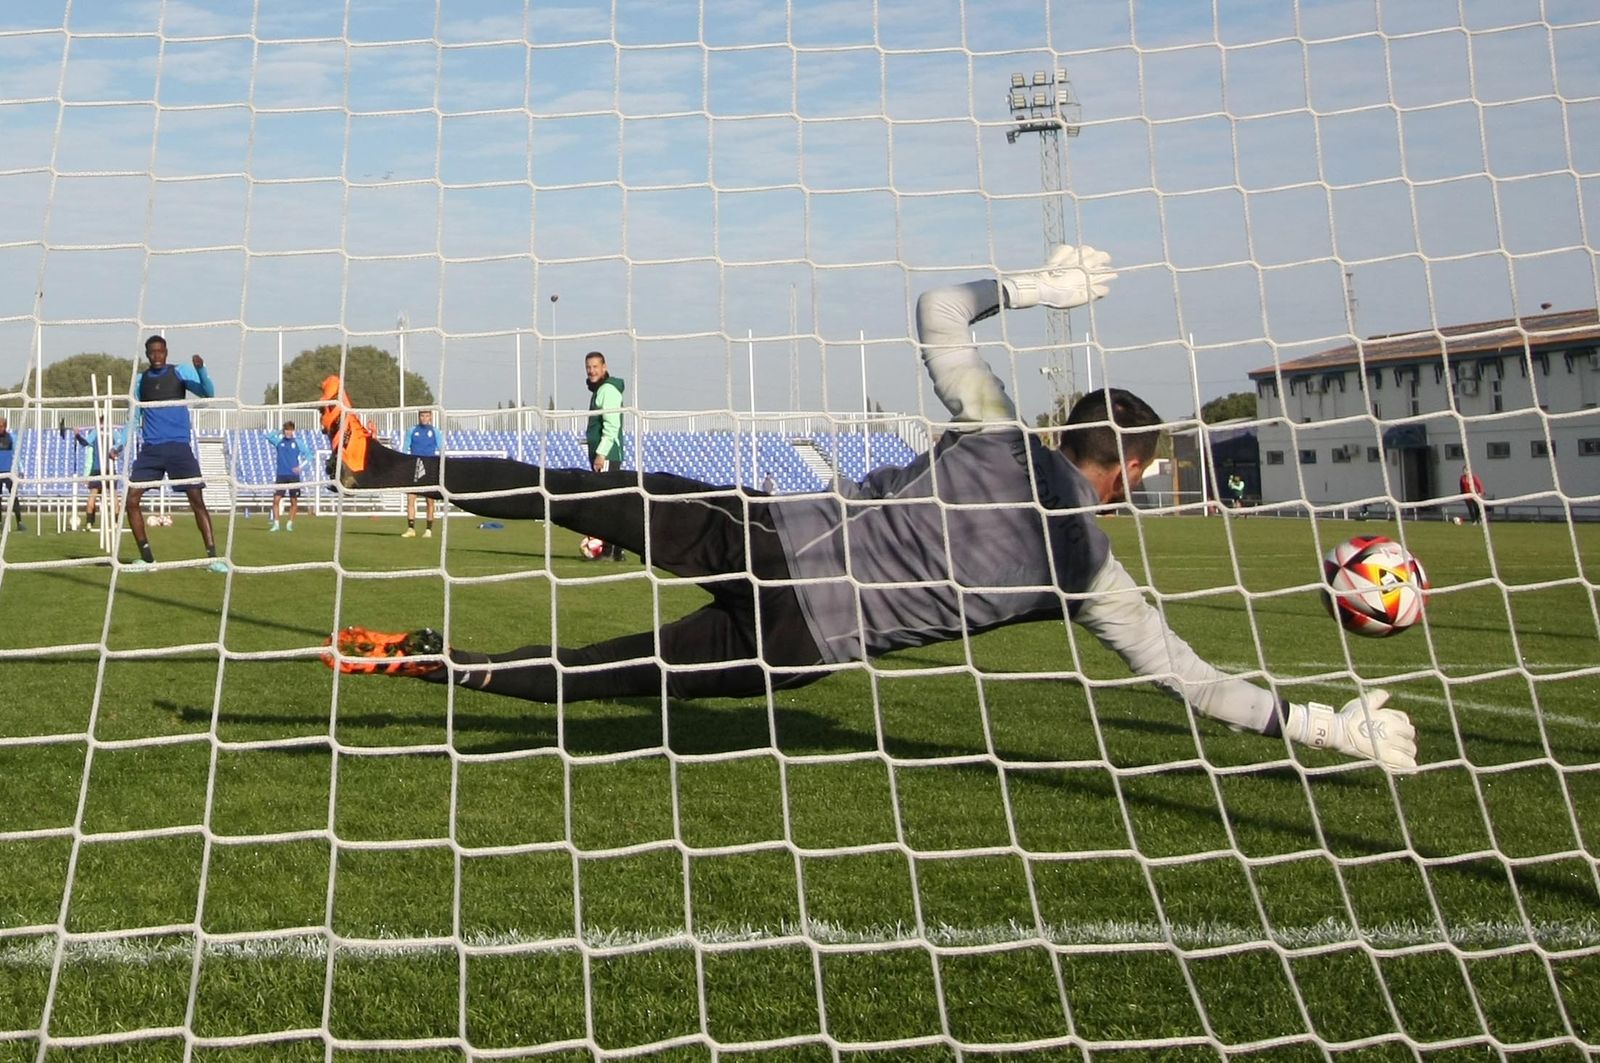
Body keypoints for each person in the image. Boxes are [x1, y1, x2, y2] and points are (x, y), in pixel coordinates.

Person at [317, 245, 1417, 772]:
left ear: (1072, 426)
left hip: (775, 531)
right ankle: (436, 662)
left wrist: (1039, 289)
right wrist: (1323, 725)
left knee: (578, 490)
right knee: (605, 679)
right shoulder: (1090, 575)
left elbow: (939, 302)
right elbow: (1195, 681)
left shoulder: (993, 423)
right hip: (803, 639)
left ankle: (382, 465)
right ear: (1127, 472)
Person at [122, 335, 228, 573]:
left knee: (197, 501)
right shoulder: (140, 381)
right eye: (152, 352)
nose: (156, 356)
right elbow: (134, 418)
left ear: (166, 352)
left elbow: (207, 394)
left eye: (160, 351)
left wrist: (201, 371)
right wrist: (119, 444)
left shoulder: (180, 372)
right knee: (131, 500)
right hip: (151, 449)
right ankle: (148, 559)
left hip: (179, 448)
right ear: (147, 354)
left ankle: (213, 559)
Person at [584, 351, 627, 561]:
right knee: (606, 504)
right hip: (603, 453)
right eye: (588, 367)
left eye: (595, 367)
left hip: (607, 454)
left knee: (608, 505)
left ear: (604, 367)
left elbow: (612, 425)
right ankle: (613, 550)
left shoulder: (608, 389)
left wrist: (601, 454)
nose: (591, 371)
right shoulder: (600, 389)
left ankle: (612, 551)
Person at [73, 418, 126, 530]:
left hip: (98, 469)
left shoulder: (96, 432)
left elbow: (84, 443)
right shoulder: (113, 432)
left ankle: (89, 523)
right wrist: (115, 452)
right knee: (113, 496)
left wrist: (77, 435)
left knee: (93, 495)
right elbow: (121, 444)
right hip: (109, 469)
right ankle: (116, 523)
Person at [266, 420, 314, 532]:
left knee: (294, 501)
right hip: (281, 475)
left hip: (293, 476)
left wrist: (300, 467)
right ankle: (276, 524)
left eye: (290, 430)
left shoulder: (298, 443)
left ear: (293, 431)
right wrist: (279, 430)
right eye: (286, 430)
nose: (288, 432)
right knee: (276, 500)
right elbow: (269, 436)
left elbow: (310, 456)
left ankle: (289, 524)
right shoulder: (278, 441)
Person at [402, 410, 439, 538]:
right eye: (422, 415)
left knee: (430, 500)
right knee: (411, 498)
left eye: (427, 415)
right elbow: (405, 448)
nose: (424, 418)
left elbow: (442, 448)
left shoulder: (435, 431)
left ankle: (428, 530)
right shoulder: (412, 430)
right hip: (415, 466)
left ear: (430, 417)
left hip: (429, 467)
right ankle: (411, 528)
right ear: (418, 417)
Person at [0, 417, 22, 531]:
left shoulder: (11, 438)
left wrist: (21, 469)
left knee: (14, 497)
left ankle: (19, 522)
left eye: (1, 426)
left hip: (9, 473)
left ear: (5, 426)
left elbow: (17, 455)